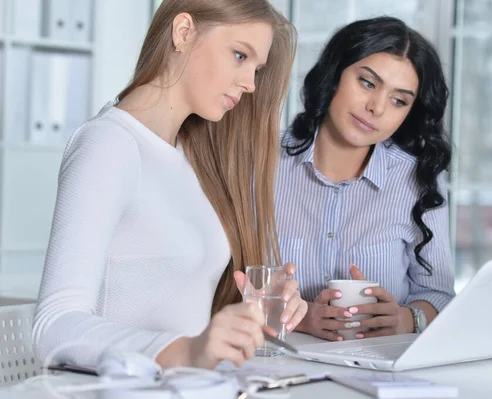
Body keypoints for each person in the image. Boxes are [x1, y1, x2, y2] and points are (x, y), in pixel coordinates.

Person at [32, 0, 306, 370]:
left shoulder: (192, 158)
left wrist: (254, 316)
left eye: (256, 68)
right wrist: (187, 352)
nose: (250, 84)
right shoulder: (110, 144)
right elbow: (54, 327)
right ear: (183, 32)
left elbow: (179, 306)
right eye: (240, 56)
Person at [276, 16, 455, 342]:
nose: (376, 107)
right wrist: (303, 318)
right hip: (277, 370)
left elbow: (439, 295)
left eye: (398, 100)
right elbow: (226, 287)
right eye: (368, 83)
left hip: (379, 372)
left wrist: (405, 318)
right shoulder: (261, 163)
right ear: (334, 75)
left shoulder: (417, 180)